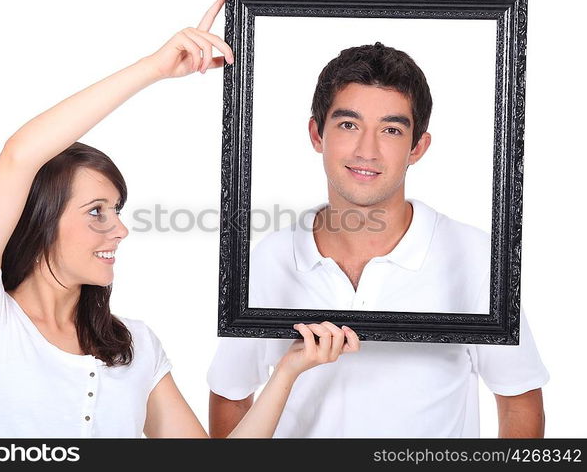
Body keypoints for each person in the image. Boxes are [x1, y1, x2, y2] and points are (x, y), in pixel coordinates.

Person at [0, 0, 360, 438]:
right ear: (42, 219)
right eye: (96, 211)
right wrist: (154, 69)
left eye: (116, 210)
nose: (119, 229)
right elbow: (19, 157)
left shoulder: (133, 348)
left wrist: (288, 371)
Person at [207, 42, 549, 438]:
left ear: (417, 147)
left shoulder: (472, 257)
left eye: (391, 130)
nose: (366, 150)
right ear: (317, 134)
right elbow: (231, 395)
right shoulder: (270, 259)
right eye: (348, 125)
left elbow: (518, 400)